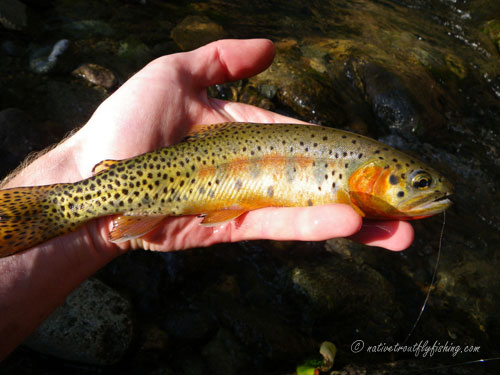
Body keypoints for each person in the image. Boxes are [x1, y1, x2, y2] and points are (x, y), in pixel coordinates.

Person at [0, 39, 413, 359]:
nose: (425, 191)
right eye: (417, 182)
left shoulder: (357, 161)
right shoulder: (357, 161)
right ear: (374, 177)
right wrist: (77, 173)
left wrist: (79, 180)